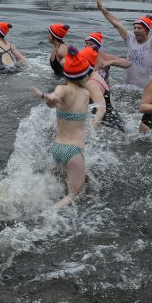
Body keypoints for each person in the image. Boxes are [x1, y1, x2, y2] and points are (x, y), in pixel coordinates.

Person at [29, 47, 92, 207]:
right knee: (74, 194)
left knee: (56, 181)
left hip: (57, 148)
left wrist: (44, 96)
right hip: (74, 151)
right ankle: (47, 214)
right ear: (83, 75)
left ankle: (36, 201)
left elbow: (53, 99)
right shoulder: (85, 94)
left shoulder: (62, 89)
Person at [95, 0, 152, 89]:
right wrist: (102, 9)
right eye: (134, 28)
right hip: (126, 86)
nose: (135, 30)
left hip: (143, 89)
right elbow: (116, 23)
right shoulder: (130, 39)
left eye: (139, 28)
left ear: (146, 30)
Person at [79, 46, 125, 131]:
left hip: (110, 128)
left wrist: (91, 131)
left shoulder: (91, 83)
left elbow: (101, 108)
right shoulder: (95, 74)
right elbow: (112, 104)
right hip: (116, 122)